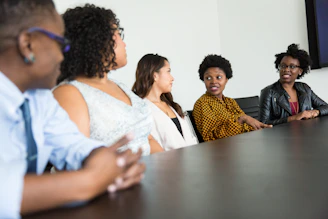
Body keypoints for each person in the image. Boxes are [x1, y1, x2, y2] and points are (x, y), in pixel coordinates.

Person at [0, 1, 144, 218]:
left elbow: (73, 145)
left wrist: (110, 162)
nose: (63, 55)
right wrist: (92, 180)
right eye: (60, 43)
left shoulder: (39, 98)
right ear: (27, 45)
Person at [53, 4, 163, 155]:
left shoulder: (121, 86)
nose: (124, 43)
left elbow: (146, 139)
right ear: (97, 39)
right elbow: (75, 166)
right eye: (118, 34)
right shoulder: (69, 93)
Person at [193, 54, 272, 141]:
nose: (213, 81)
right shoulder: (202, 104)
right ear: (203, 80)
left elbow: (246, 126)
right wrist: (241, 119)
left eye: (218, 77)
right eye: (208, 78)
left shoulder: (230, 101)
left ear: (226, 79)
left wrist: (261, 129)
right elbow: (210, 137)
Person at [132, 54, 198, 150]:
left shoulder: (171, 106)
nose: (172, 78)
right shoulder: (141, 110)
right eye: (168, 71)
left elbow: (191, 139)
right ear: (155, 76)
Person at [259, 44, 328, 125]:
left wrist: (316, 112)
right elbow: (263, 124)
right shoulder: (268, 92)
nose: (286, 69)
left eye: (292, 66)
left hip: (307, 133)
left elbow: (325, 107)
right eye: (283, 66)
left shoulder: (304, 88)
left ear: (300, 71)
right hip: (282, 136)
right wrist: (293, 118)